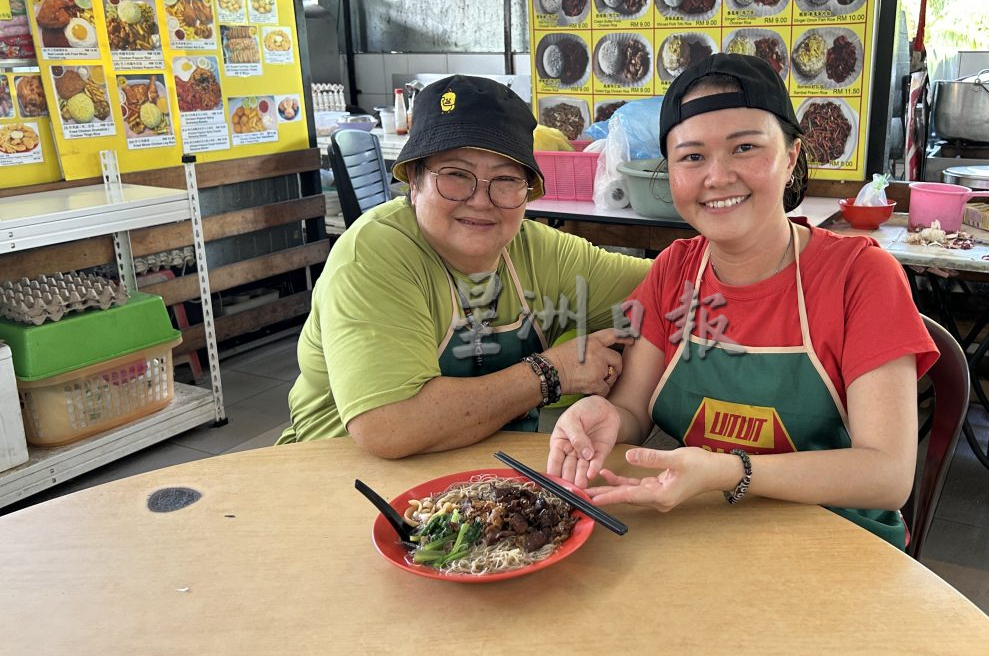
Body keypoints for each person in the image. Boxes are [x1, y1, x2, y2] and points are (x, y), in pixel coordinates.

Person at [545, 54, 939, 549]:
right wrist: (602, 416)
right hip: (706, 536)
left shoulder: (860, 277)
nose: (718, 176)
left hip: (841, 550)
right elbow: (633, 410)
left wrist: (729, 471)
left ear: (791, 156)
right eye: (692, 157)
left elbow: (886, 474)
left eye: (745, 147)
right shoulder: (674, 271)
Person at [279, 75, 651, 458]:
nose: (481, 200)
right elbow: (388, 426)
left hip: (475, 486)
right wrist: (552, 372)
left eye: (505, 179)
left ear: (527, 193)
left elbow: (672, 288)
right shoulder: (375, 254)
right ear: (414, 180)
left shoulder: (539, 252)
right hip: (337, 480)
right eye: (456, 176)